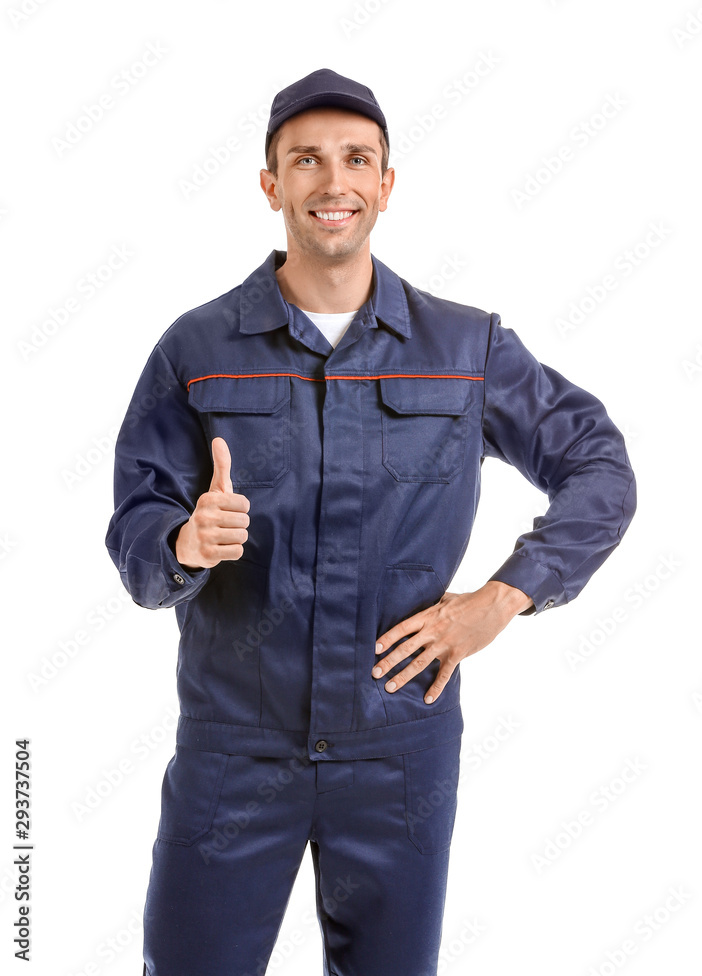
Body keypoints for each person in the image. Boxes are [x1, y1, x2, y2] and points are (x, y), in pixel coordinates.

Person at [105, 68, 636, 976]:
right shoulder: (196, 348)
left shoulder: (465, 348)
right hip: (235, 752)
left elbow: (599, 466)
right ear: (271, 184)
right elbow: (136, 528)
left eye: (357, 159)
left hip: (399, 753)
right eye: (306, 159)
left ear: (387, 185)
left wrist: (504, 598)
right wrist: (182, 543)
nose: (333, 180)